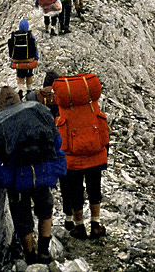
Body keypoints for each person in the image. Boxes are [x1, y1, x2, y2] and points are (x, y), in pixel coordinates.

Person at [0, 86, 66, 265]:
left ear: (0, 105)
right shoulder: (36, 110)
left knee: (22, 217)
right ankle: (43, 251)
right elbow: (56, 139)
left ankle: (29, 256)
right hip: (43, 172)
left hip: (19, 179)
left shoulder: (0, 120)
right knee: (45, 209)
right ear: (19, 99)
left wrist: (3, 177)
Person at [53, 73, 109, 239]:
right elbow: (104, 134)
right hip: (94, 153)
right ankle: (96, 225)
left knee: (75, 191)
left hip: (73, 157)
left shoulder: (64, 108)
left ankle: (79, 227)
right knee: (94, 189)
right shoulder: (92, 106)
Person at [7, 19, 38, 97]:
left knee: (20, 76)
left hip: (18, 60)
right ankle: (29, 90)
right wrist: (36, 58)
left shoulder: (15, 36)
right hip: (29, 59)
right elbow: (35, 48)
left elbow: (11, 48)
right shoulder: (30, 36)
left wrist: (12, 59)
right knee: (29, 75)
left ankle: (20, 91)